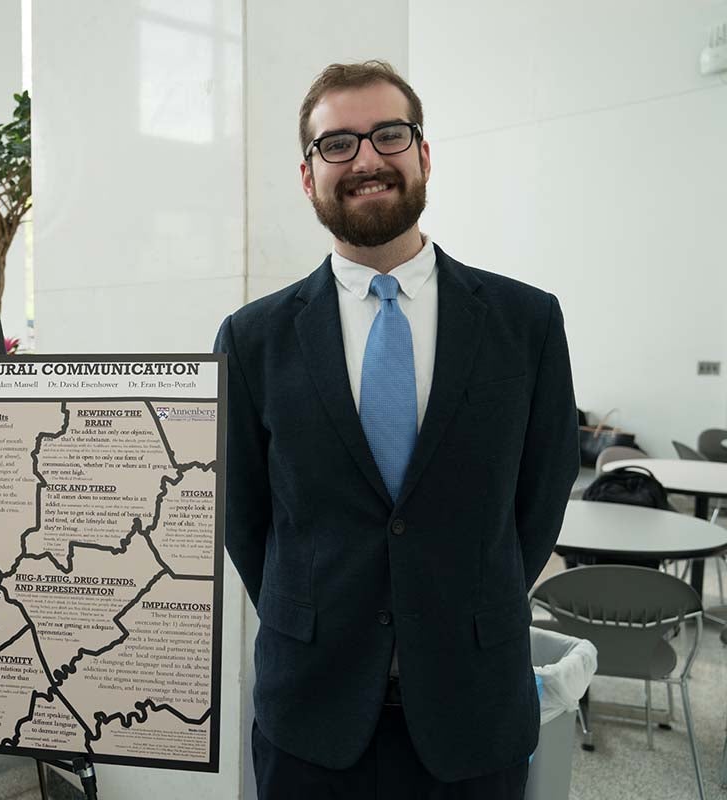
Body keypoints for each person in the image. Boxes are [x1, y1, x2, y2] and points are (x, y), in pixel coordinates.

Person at [214, 60, 578, 798]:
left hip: (473, 709)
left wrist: (468, 596)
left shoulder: (525, 323)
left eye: (388, 135)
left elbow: (539, 498)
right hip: (312, 715)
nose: (367, 160)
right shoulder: (252, 341)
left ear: (424, 153)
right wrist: (315, 614)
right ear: (308, 175)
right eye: (337, 145)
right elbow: (245, 519)